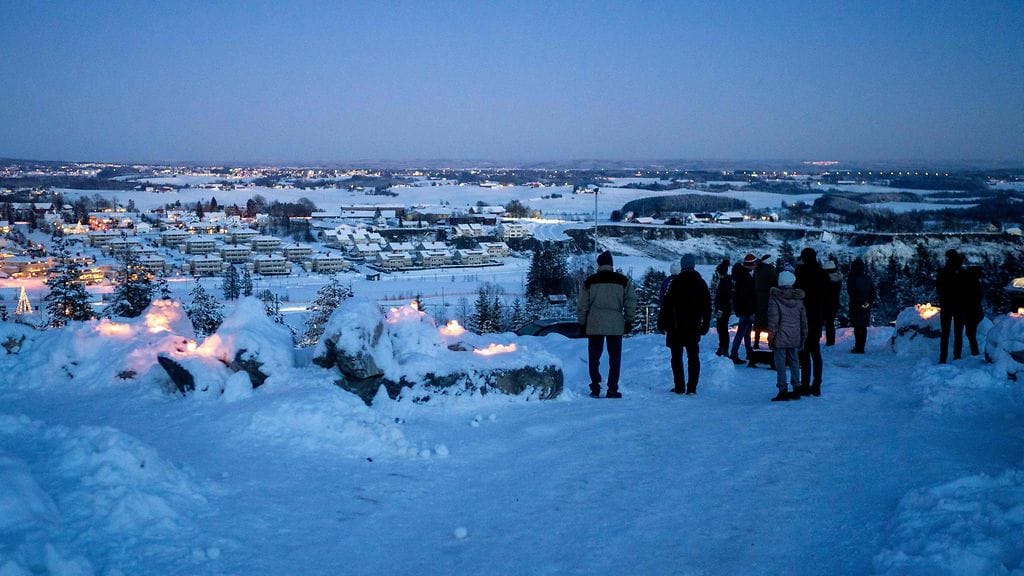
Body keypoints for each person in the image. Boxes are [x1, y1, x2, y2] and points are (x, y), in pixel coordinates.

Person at [577, 250, 637, 398]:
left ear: (599, 264)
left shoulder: (590, 281)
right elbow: (630, 302)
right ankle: (612, 389)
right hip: (615, 324)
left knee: (594, 358)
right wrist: (629, 320)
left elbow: (582, 305)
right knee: (615, 358)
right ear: (611, 264)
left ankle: (595, 387)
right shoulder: (623, 281)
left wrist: (582, 323)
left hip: (594, 324)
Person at [659, 254, 711, 394]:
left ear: (682, 266)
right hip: (693, 328)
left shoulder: (675, 283)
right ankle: (692, 388)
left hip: (675, 327)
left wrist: (662, 323)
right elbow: (707, 307)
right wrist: (705, 324)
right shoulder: (701, 283)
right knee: (693, 358)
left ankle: (679, 386)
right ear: (693, 265)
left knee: (676, 358)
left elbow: (666, 305)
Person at [766, 270, 807, 402]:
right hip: (795, 335)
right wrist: (803, 335)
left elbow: (773, 320)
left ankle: (783, 390)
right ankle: (796, 388)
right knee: (795, 362)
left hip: (780, 336)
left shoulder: (775, 298)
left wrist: (771, 337)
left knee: (780, 364)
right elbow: (803, 320)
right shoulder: (798, 299)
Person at [794, 247, 826, 396]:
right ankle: (817, 385)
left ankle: (805, 385)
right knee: (816, 352)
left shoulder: (800, 272)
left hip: (803, 315)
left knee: (804, 352)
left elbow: (796, 292)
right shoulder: (822, 273)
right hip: (817, 316)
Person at [936, 249, 964, 363]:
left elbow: (939, 288)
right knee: (958, 333)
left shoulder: (944, 272)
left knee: (945, 333)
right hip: (959, 305)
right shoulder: (961, 271)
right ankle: (957, 356)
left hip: (947, 304)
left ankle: (943, 358)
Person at [729, 254, 758, 365]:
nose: (755, 266)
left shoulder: (740, 275)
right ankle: (734, 354)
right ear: (751, 264)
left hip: (742, 309)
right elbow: (747, 297)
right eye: (754, 264)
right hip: (746, 310)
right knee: (742, 332)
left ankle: (748, 351)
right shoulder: (745, 277)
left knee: (746, 331)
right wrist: (751, 312)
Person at [846, 258, 874, 354]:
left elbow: (851, 293)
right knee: (863, 326)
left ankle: (858, 347)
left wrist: (859, 302)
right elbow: (872, 292)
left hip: (855, 305)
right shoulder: (867, 278)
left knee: (857, 327)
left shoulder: (852, 278)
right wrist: (868, 302)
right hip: (866, 306)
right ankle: (862, 346)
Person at [752, 253, 778, 357]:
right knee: (769, 321)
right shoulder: (770, 270)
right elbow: (775, 284)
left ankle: (756, 342)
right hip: (768, 298)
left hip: (758, 299)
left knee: (758, 321)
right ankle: (770, 343)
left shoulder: (757, 270)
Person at [960, 263, 984, 357]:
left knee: (970, 334)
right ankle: (974, 352)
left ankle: (975, 353)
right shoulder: (975, 283)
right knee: (970, 334)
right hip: (974, 312)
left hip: (971, 313)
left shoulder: (970, 283)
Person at [711, 259, 732, 356]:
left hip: (723, 310)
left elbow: (724, 298)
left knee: (722, 329)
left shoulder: (724, 283)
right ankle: (723, 347)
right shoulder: (725, 281)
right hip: (723, 309)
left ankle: (724, 348)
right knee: (722, 329)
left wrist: (720, 310)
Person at [822, 259, 843, 346]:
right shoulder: (838, 277)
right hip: (835, 302)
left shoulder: (825, 279)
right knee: (830, 322)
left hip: (824, 302)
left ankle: (818, 340)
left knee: (822, 321)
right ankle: (831, 341)